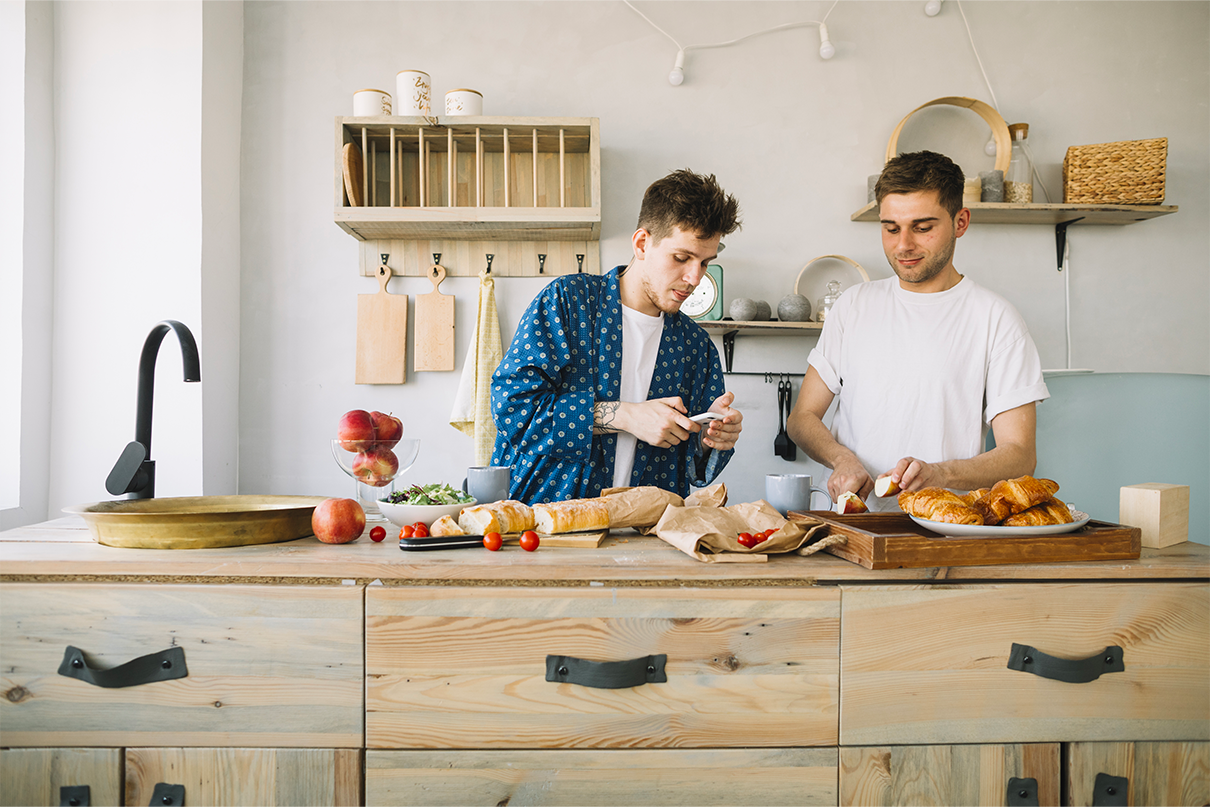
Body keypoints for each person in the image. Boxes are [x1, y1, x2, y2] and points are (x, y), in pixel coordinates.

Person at [787, 150, 1049, 509]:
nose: (903, 245)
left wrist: (941, 474)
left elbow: (1020, 455)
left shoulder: (996, 319)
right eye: (891, 228)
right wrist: (841, 458)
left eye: (923, 228)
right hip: (849, 524)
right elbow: (802, 419)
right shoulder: (853, 305)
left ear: (960, 222)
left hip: (944, 526)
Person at [490, 168, 745, 504]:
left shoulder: (697, 347)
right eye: (682, 258)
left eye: (705, 262)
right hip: (541, 521)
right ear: (642, 244)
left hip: (647, 530)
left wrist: (711, 439)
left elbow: (693, 467)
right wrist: (626, 416)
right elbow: (512, 408)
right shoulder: (567, 302)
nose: (695, 278)